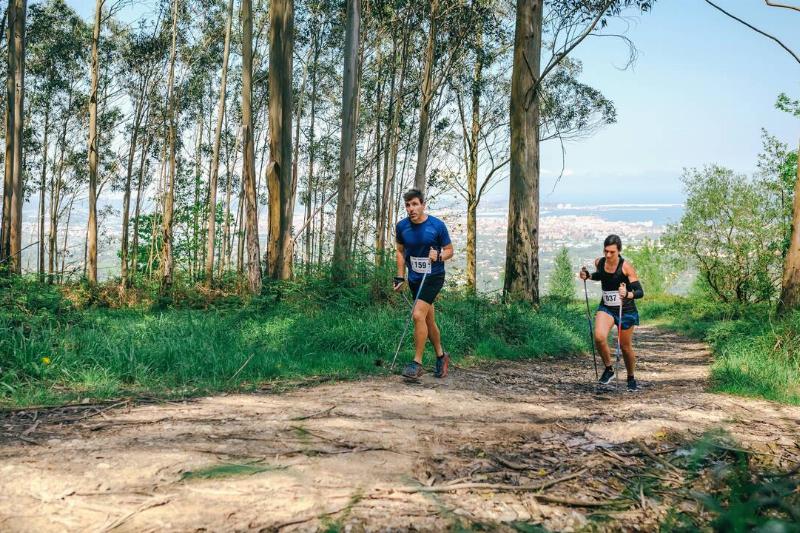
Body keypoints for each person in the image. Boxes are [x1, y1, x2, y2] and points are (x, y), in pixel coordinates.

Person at [393, 188, 454, 379]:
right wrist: (400, 276)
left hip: (433, 277)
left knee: (417, 314)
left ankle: (416, 363)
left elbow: (450, 250)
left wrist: (439, 256)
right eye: (408, 205)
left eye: (415, 204)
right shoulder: (402, 227)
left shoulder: (437, 225)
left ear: (422, 205)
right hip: (415, 279)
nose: (411, 208)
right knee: (428, 319)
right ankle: (441, 356)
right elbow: (401, 251)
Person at [579, 234, 645, 391]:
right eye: (606, 251)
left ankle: (630, 377)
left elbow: (640, 291)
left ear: (619, 251)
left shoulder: (625, 267)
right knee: (599, 337)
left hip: (626, 309)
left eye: (612, 252)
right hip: (607, 307)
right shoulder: (599, 262)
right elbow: (601, 276)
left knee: (625, 346)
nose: (608, 255)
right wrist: (588, 276)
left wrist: (627, 294)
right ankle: (609, 369)